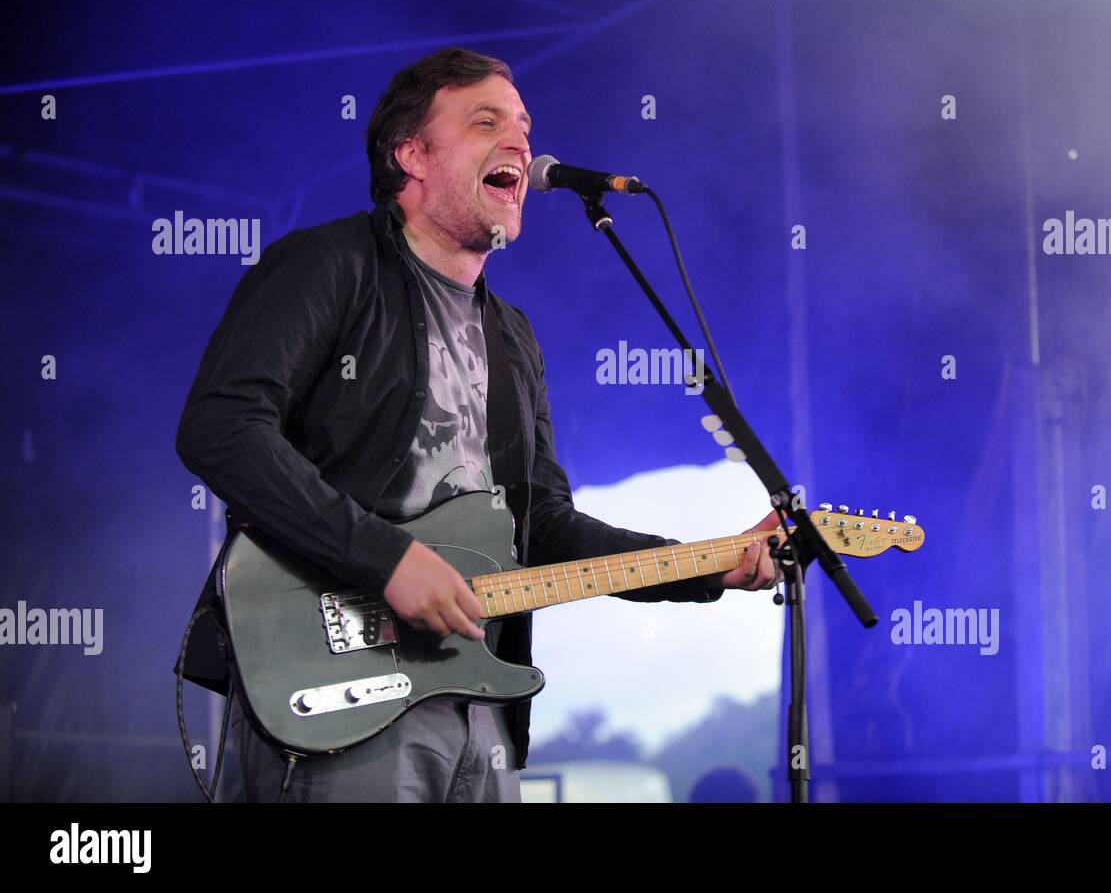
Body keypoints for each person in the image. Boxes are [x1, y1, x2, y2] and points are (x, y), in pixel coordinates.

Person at [174, 46, 780, 803]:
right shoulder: (328, 266)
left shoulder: (514, 337)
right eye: (485, 121)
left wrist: (706, 563)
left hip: (479, 706)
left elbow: (543, 527)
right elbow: (222, 426)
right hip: (339, 693)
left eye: (524, 126)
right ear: (412, 154)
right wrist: (389, 559)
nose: (521, 143)